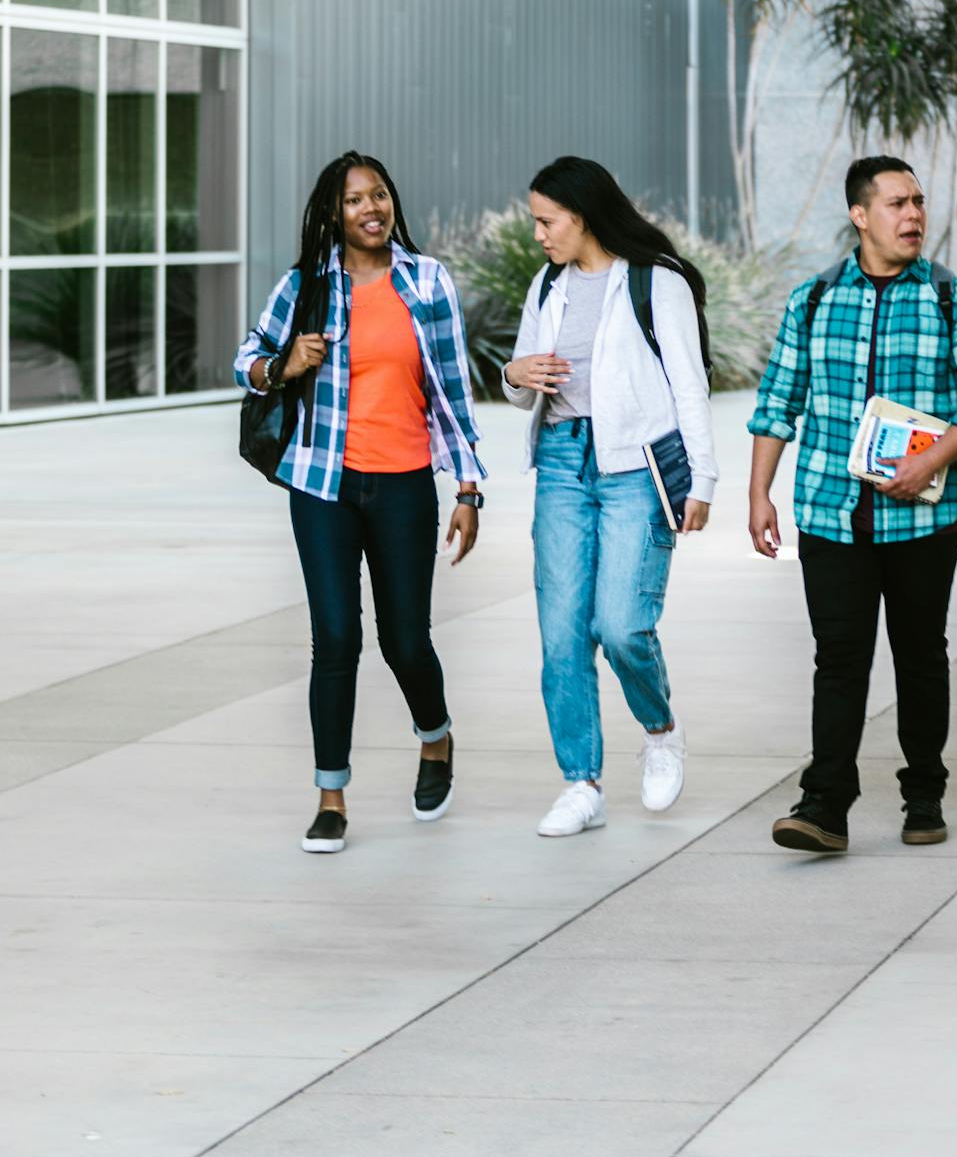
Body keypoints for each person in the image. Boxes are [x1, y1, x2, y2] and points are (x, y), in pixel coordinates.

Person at [749, 156, 957, 854]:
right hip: (831, 514)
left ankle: (923, 793)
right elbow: (778, 401)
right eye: (897, 203)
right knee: (838, 657)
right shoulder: (812, 300)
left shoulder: (956, 300)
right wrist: (758, 494)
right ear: (859, 215)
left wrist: (930, 457)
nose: (913, 215)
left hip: (925, 516)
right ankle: (824, 804)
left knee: (920, 655)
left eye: (918, 202)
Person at [235, 151, 484, 854]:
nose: (371, 208)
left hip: (405, 483)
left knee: (405, 640)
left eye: (379, 196)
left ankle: (435, 741)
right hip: (323, 486)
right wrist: (281, 366)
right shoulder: (305, 287)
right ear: (332, 214)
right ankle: (331, 796)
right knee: (336, 639)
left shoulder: (425, 280)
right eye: (354, 201)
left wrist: (468, 488)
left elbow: (451, 393)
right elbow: (246, 357)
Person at [503, 156, 717, 837]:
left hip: (634, 469)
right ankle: (581, 782)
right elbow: (518, 386)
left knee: (621, 626)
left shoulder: (658, 281)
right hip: (562, 462)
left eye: (547, 220)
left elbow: (689, 385)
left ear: (584, 214)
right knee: (562, 633)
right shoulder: (547, 285)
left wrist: (702, 480)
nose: (538, 234)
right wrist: (516, 372)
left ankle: (660, 730)